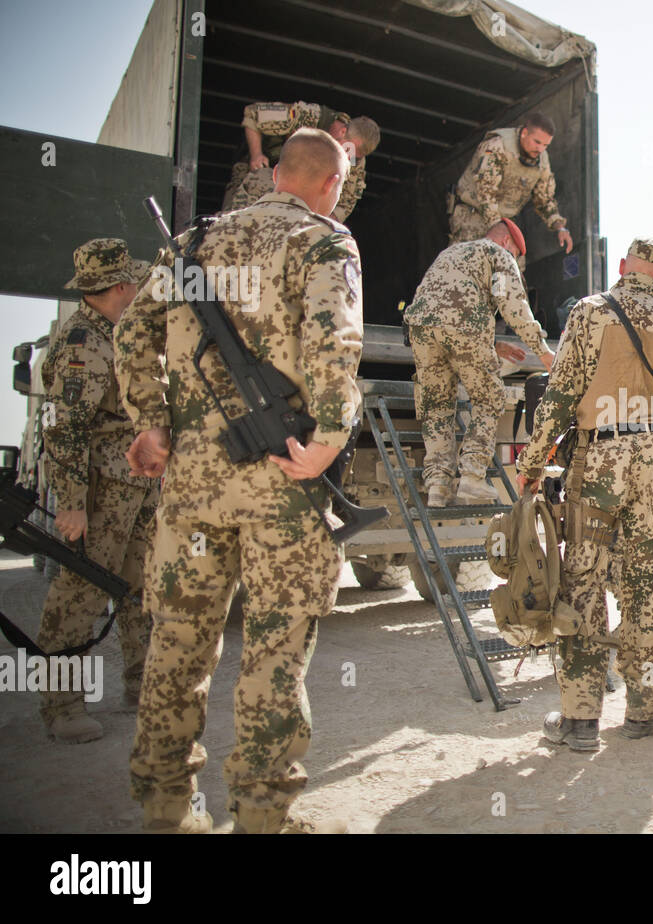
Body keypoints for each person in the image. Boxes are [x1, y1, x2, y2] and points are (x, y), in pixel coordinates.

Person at [116, 128, 364, 832]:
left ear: (278, 172)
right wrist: (331, 440)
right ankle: (263, 818)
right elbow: (334, 342)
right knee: (276, 652)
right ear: (327, 184)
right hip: (281, 482)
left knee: (178, 645)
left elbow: (133, 331)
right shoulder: (323, 240)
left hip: (193, 487)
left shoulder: (191, 245)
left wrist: (150, 420)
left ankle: (165, 810)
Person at [513, 238, 653, 751]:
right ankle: (643, 710)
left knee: (583, 581)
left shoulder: (590, 312)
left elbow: (559, 395)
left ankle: (580, 721)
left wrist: (532, 464)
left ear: (622, 268)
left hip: (600, 461)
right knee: (648, 587)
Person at [36, 239, 158, 743]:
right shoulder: (83, 343)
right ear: (119, 286)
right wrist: (71, 505)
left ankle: (140, 685)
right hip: (100, 491)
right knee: (80, 591)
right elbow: (66, 430)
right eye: (132, 281)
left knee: (140, 588)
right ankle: (61, 706)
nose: (137, 287)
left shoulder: (116, 330)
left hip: (133, 483)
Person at [406, 219, 554, 506]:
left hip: (420, 330)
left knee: (436, 406)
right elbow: (512, 306)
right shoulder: (497, 255)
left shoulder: (451, 253)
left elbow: (442, 307)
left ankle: (438, 484)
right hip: (464, 328)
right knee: (489, 397)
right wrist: (544, 352)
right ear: (507, 242)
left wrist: (493, 344)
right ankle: (472, 477)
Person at [222, 101, 380, 223]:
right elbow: (252, 114)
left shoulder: (354, 157)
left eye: (355, 157)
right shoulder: (311, 117)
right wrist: (257, 154)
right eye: (348, 150)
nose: (348, 158)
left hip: (301, 200)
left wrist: (324, 221)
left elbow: (345, 204)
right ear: (343, 131)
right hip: (261, 175)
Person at [448, 111, 574, 264]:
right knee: (466, 269)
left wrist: (559, 227)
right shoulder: (497, 146)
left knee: (513, 273)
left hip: (505, 222)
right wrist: (498, 229)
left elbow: (544, 200)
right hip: (473, 216)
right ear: (524, 133)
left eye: (545, 145)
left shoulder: (542, 160)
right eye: (537, 142)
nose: (540, 149)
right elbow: (485, 192)